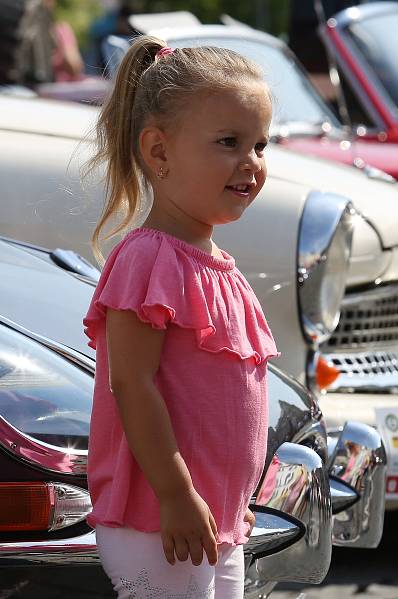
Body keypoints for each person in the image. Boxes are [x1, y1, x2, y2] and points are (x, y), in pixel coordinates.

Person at [82, 35, 278, 598]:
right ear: (160, 152)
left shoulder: (222, 268)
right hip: (158, 516)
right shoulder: (148, 258)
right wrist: (174, 492)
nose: (251, 162)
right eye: (228, 142)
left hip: (214, 519)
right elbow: (132, 383)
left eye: (261, 144)